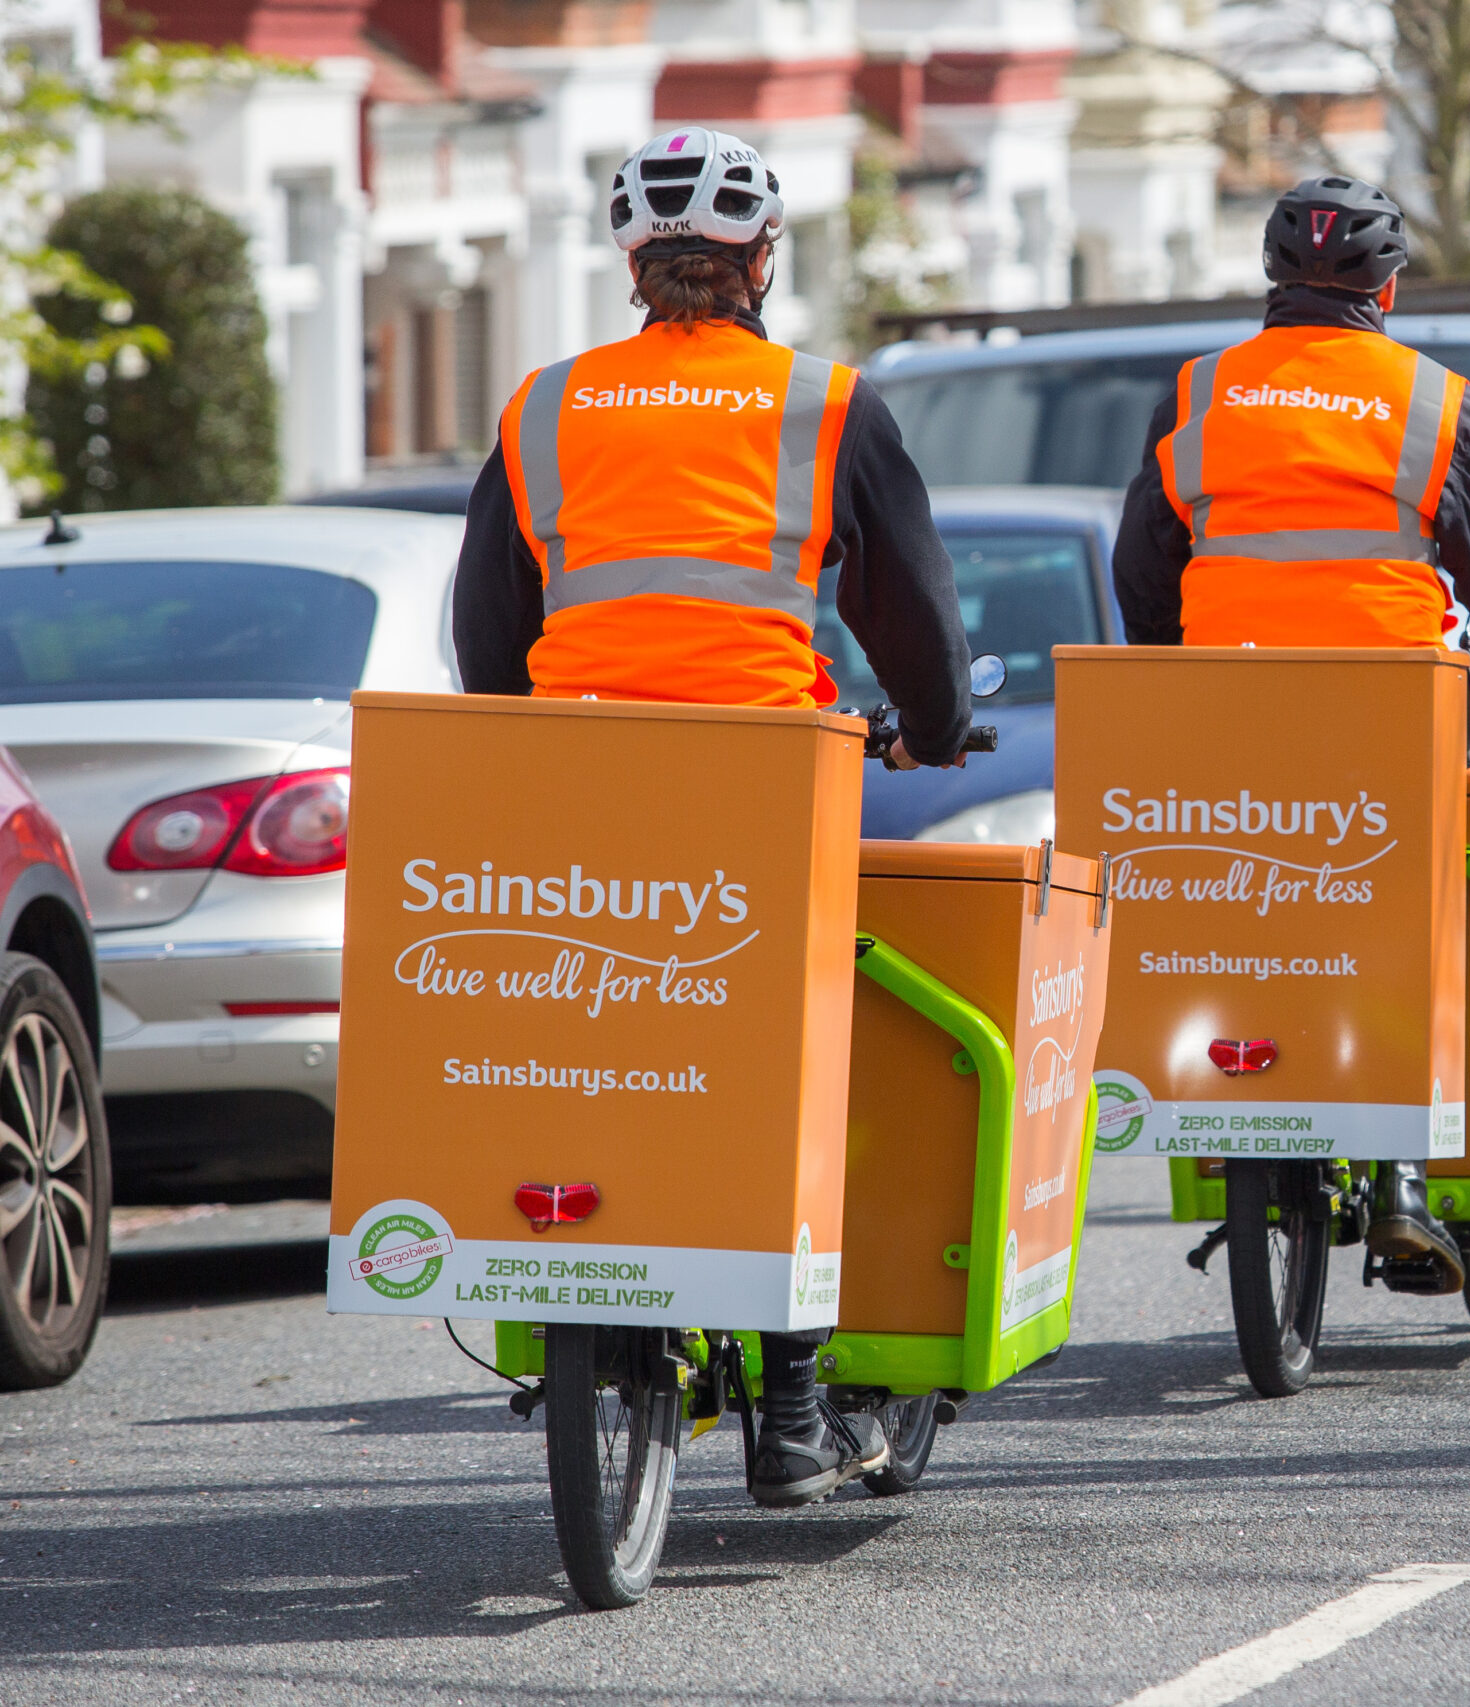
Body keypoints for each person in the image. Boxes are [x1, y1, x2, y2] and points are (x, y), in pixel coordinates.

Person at [451, 127, 973, 1510]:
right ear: (761, 258)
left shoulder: (544, 405)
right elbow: (909, 606)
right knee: (797, 1049)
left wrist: (523, 738)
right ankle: (793, 1395)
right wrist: (933, 725)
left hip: (577, 777)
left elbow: (488, 634)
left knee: (580, 1022)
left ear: (634, 263)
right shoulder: (825, 402)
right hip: (761, 772)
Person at [1113, 175, 1470, 1295]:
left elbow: (1142, 567)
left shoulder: (1200, 391)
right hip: (1390, 714)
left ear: (1273, 281)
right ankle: (1404, 1180)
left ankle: (1230, 1096)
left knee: (1234, 890)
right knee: (1417, 911)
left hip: (1225, 713)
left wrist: (1174, 675)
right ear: (1390, 289)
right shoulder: (1430, 399)